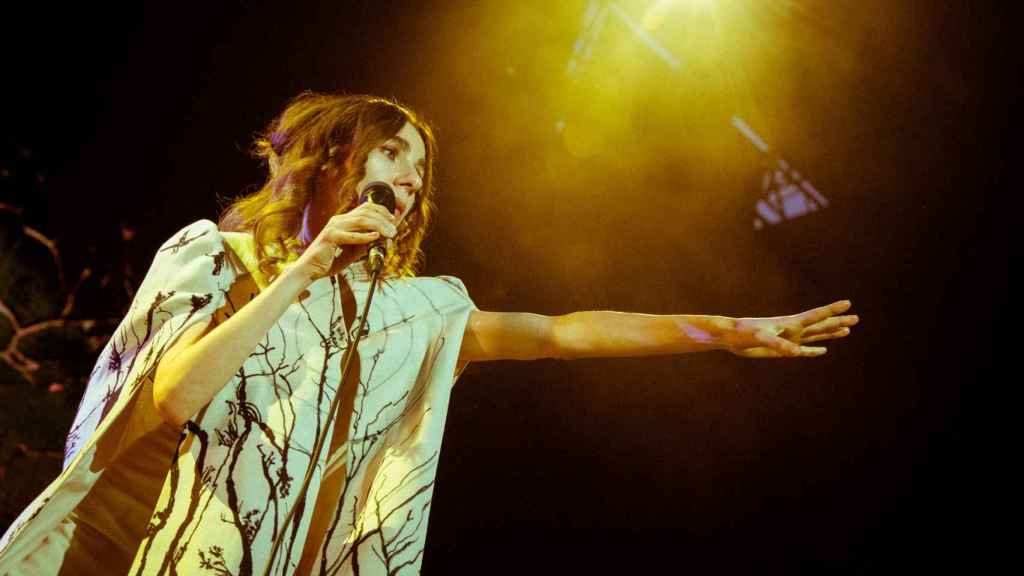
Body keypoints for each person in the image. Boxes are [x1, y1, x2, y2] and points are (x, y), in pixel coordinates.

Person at [0, 92, 858, 575]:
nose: (411, 176)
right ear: (332, 156)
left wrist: (724, 328)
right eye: (392, 153)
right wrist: (302, 275)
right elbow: (173, 396)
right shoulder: (212, 258)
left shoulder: (420, 313)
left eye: (421, 165)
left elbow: (560, 335)